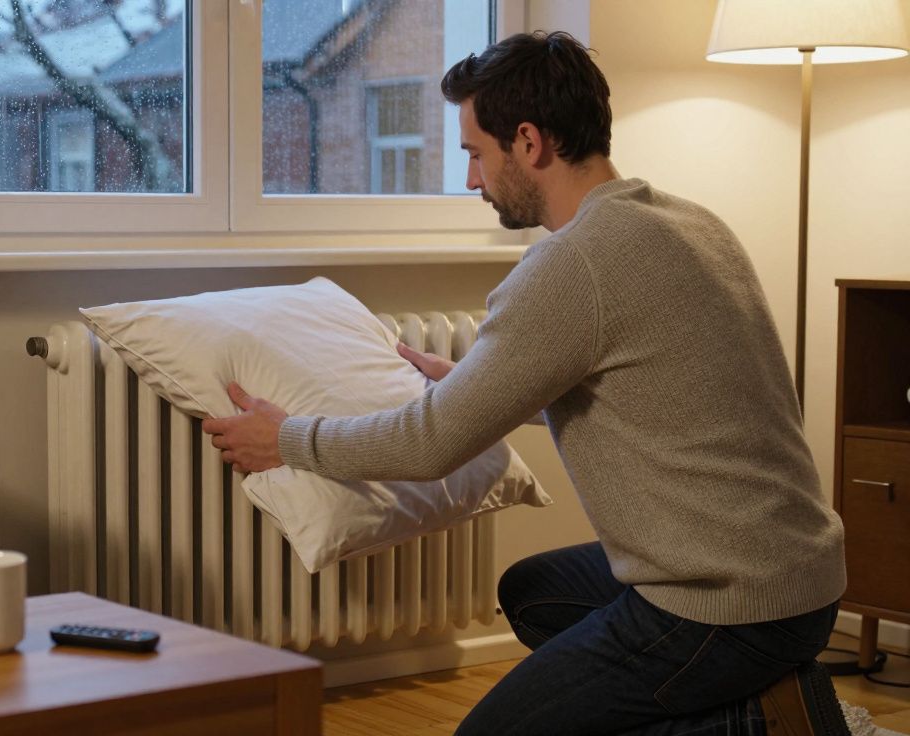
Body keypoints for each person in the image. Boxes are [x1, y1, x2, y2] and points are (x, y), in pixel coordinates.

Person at [202, 30, 850, 736]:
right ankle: (748, 696)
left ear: (531, 142)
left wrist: (287, 440)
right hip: (802, 581)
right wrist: (476, 381)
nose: (473, 179)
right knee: (535, 594)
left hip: (723, 607)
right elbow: (655, 396)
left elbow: (429, 447)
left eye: (478, 155)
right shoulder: (689, 222)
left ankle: (759, 721)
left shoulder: (571, 266)